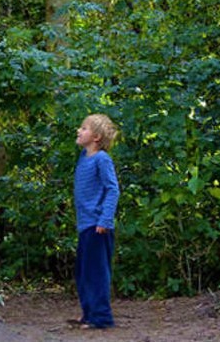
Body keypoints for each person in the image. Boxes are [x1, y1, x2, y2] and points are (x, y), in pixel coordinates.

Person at [72, 113, 120, 329]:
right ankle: (89, 313)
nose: (79, 131)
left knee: (96, 273)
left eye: (84, 128)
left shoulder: (102, 159)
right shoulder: (84, 157)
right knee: (83, 272)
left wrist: (105, 219)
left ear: (97, 137)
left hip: (98, 226)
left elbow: (112, 189)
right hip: (85, 225)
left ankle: (101, 318)